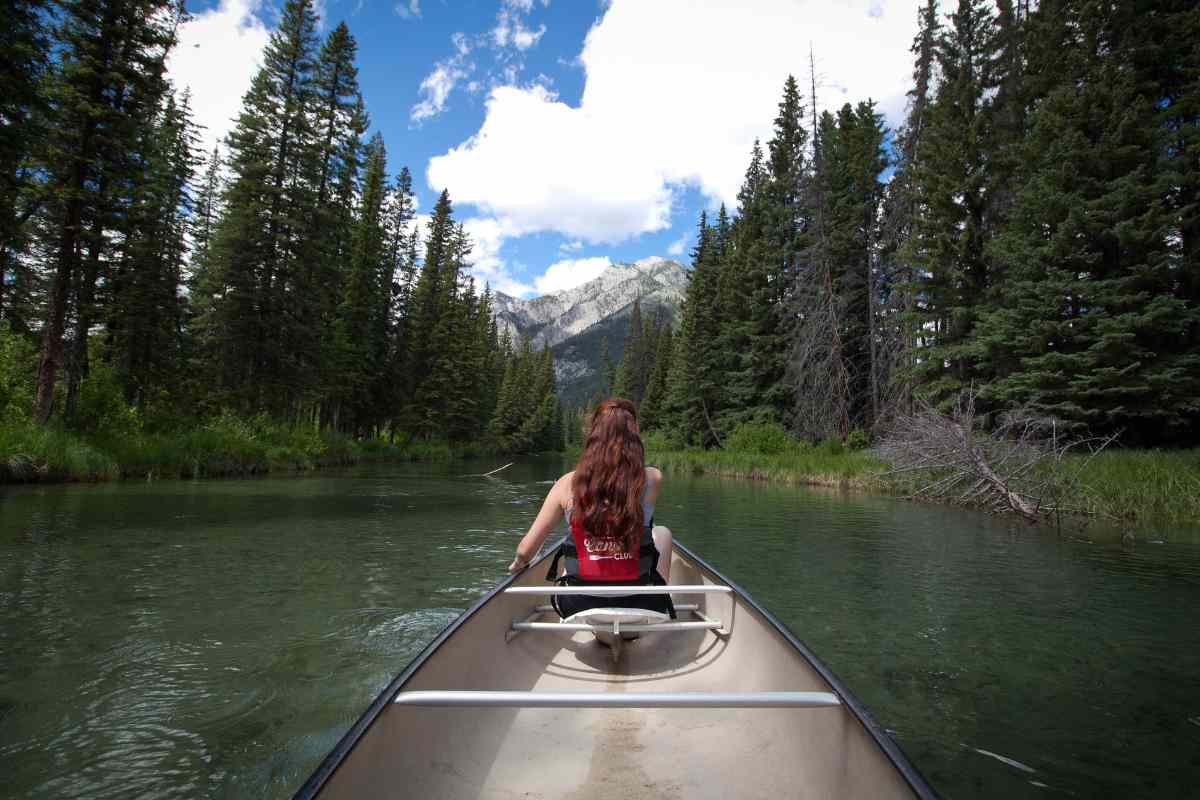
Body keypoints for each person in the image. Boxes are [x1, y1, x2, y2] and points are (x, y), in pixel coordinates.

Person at [507, 398, 674, 621]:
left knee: (573, 551)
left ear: (593, 436)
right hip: (642, 602)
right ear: (634, 436)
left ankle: (602, 630)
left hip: (578, 605)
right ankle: (651, 604)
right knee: (661, 532)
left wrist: (517, 564)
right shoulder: (652, 477)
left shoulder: (566, 483)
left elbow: (525, 550)